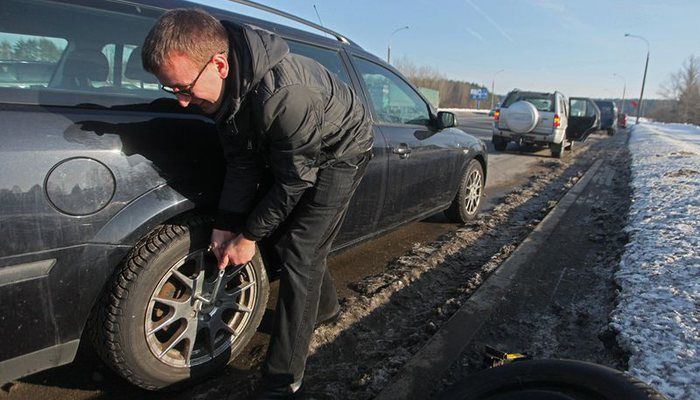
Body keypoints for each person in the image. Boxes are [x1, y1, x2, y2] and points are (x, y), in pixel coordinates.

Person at [141, 8, 373, 398]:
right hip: (296, 149)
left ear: (218, 64)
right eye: (172, 90)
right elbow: (242, 162)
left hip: (342, 150)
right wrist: (226, 223)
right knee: (289, 240)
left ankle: (282, 381)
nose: (181, 102)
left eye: (184, 88)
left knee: (300, 251)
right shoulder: (225, 93)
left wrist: (248, 235)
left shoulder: (283, 95)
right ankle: (324, 307)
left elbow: (296, 179)